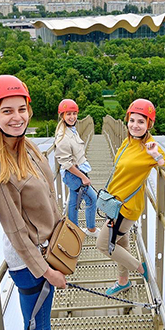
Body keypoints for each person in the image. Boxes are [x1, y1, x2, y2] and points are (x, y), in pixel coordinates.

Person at [0, 75, 67, 330]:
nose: (16, 118)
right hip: (30, 262)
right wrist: (46, 271)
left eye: (21, 109)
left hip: (45, 249)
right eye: (6, 111)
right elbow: (16, 230)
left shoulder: (23, 145)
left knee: (40, 317)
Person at [96, 98, 165, 296]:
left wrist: (156, 157)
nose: (135, 125)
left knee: (103, 244)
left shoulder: (150, 147)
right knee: (121, 243)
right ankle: (123, 282)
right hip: (114, 203)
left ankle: (140, 269)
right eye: (132, 120)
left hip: (127, 208)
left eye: (141, 122)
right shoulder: (127, 141)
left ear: (149, 124)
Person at [54, 99, 100, 237]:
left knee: (74, 202)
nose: (72, 117)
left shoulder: (71, 130)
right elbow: (67, 164)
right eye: (68, 114)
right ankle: (91, 230)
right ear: (62, 115)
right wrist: (83, 177)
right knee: (92, 199)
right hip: (74, 175)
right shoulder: (63, 137)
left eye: (74, 113)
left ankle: (73, 230)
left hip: (77, 172)